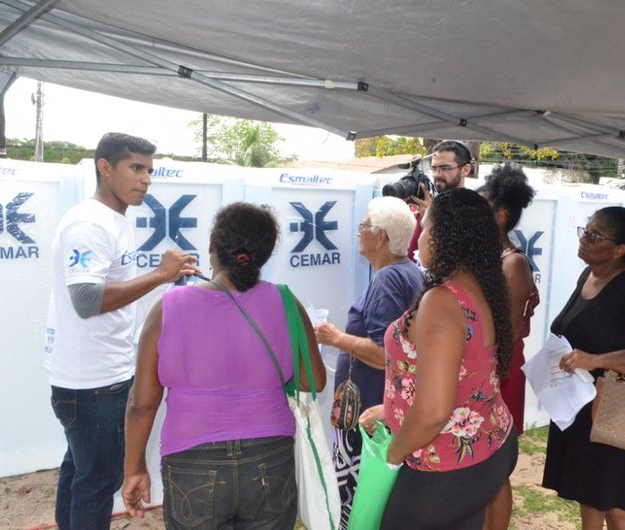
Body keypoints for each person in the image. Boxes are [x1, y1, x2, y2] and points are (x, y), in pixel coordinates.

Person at [122, 202, 326, 529]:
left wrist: (134, 469)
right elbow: (312, 380)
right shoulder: (288, 302)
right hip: (270, 456)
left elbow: (142, 403)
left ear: (213, 247)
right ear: (264, 254)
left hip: (192, 460)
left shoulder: (167, 308)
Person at [44, 133, 197, 530]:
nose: (146, 179)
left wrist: (165, 278)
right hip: (91, 381)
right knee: (97, 483)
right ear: (105, 168)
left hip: (98, 374)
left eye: (149, 170)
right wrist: (160, 275)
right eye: (136, 168)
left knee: (82, 473)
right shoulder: (89, 224)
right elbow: (87, 299)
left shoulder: (112, 219)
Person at [360, 188, 517, 529]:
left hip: (442, 466)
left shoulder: (443, 301)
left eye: (426, 228)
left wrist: (393, 454)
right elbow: (462, 375)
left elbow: (432, 412)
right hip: (487, 448)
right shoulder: (481, 286)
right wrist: (393, 410)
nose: (419, 237)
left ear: (447, 237)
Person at [542, 206, 625, 530]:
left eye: (595, 235)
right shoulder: (587, 276)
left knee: (618, 505)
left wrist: (598, 360)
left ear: (620, 250)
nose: (584, 239)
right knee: (589, 493)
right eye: (585, 231)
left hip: (622, 408)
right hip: (583, 405)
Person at [313, 196, 423, 529]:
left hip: (370, 412)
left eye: (364, 225)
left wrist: (336, 338)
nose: (358, 231)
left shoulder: (389, 279)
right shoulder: (408, 273)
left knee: (358, 502)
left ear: (381, 237)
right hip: (382, 407)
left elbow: (384, 355)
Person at [478, 163, 539, 530]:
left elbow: (510, 332)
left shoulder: (512, 263)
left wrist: (487, 382)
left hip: (500, 373)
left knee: (496, 469)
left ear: (500, 216)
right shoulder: (487, 260)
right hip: (483, 370)